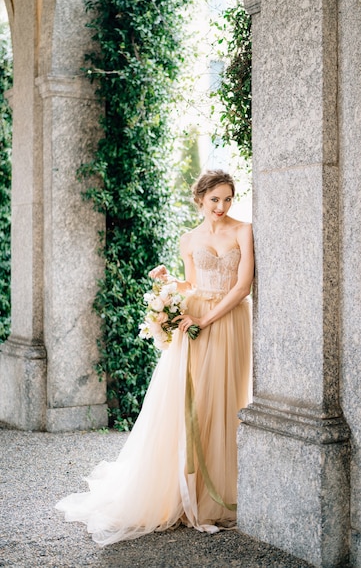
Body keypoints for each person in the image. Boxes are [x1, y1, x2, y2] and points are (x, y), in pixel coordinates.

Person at [56, 169, 254, 546]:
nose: (222, 206)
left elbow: (243, 286)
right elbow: (194, 284)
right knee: (194, 404)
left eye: (228, 199)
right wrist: (168, 284)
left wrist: (206, 318)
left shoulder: (244, 230)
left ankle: (220, 492)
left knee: (227, 401)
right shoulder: (188, 238)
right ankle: (189, 489)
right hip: (194, 325)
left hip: (228, 322)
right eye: (215, 199)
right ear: (200, 199)